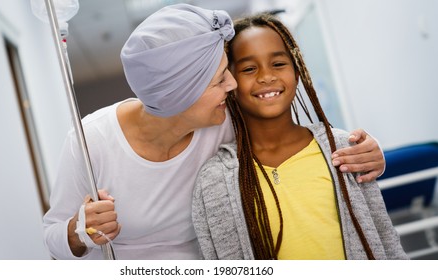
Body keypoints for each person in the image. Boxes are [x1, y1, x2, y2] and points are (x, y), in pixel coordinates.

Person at [43, 4, 386, 260]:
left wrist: (366, 149)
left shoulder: (224, 119)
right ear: (180, 94)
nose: (233, 84)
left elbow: (294, 138)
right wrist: (79, 230)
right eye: (220, 78)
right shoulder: (91, 142)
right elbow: (53, 236)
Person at [191, 13, 407, 260]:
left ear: (297, 71)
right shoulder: (215, 179)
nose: (266, 76)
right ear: (229, 81)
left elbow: (385, 238)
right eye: (249, 68)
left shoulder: (343, 149)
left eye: (278, 64)